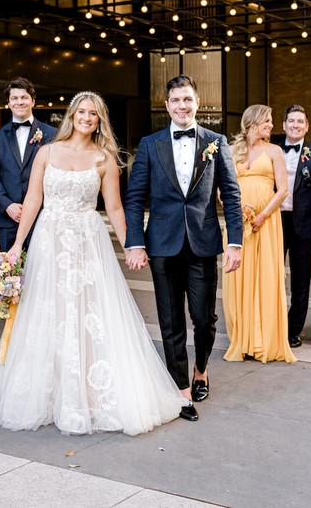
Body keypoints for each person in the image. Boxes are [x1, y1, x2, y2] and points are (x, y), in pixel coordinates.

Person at [0, 91, 187, 435]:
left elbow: (114, 206)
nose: (87, 117)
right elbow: (33, 199)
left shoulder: (104, 159)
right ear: (72, 114)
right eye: (82, 111)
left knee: (89, 312)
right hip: (49, 239)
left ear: (99, 121)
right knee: (47, 310)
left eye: (94, 114)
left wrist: (132, 244)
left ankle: (89, 394)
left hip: (87, 240)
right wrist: (17, 246)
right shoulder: (47, 152)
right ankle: (49, 391)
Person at [124, 75, 243, 422]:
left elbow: (232, 195)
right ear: (167, 105)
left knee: (204, 319)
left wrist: (234, 242)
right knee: (170, 320)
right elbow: (134, 198)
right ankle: (181, 390)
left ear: (196, 102)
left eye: (187, 99)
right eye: (175, 100)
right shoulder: (149, 144)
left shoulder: (216, 142)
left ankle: (201, 369)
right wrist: (135, 242)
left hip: (203, 243)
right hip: (162, 243)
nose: (182, 106)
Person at [223, 104, 295, 363]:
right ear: (253, 122)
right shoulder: (231, 151)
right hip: (238, 223)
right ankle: (242, 338)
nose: (271, 125)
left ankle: (264, 337)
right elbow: (222, 189)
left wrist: (263, 215)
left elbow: (283, 190)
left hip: (266, 223)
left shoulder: (274, 151)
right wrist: (237, 209)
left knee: (265, 275)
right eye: (267, 121)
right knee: (239, 277)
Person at [275, 105, 311, 348]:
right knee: (273, 277)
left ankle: (293, 330)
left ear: (307, 126)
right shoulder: (273, 150)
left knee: (300, 281)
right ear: (284, 125)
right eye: (291, 121)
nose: (295, 125)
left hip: (304, 225)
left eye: (300, 121)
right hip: (275, 222)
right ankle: (272, 327)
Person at [0, 77, 57, 251]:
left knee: (40, 270)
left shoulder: (52, 134)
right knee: (9, 271)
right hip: (7, 215)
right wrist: (7, 205)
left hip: (41, 213)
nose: (19, 102)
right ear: (8, 103)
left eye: (24, 97)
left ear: (32, 101)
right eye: (14, 98)